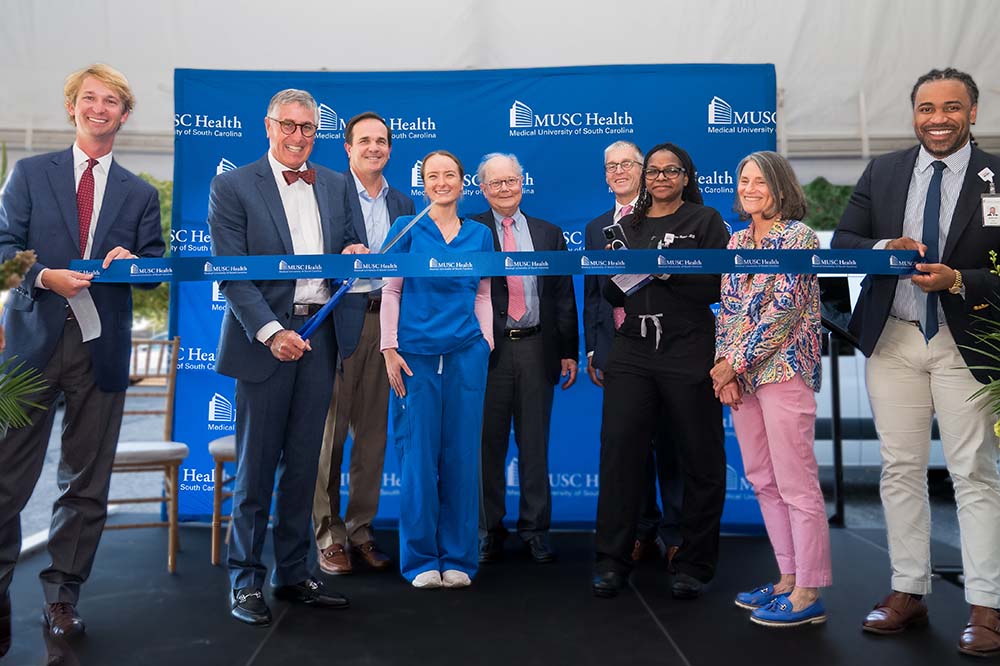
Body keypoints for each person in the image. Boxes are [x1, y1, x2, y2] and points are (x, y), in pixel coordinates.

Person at [832, 68, 1000, 656]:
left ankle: (987, 605)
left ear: (973, 112)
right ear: (914, 114)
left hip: (967, 343)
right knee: (899, 468)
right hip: (896, 340)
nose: (938, 118)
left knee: (973, 474)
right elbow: (843, 241)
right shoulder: (884, 170)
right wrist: (883, 248)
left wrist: (960, 281)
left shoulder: (998, 176)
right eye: (926, 108)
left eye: (951, 107)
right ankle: (908, 589)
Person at [0, 63, 164, 650]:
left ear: (124, 114)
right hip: (26, 352)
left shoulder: (141, 193)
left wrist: (134, 265)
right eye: (90, 98)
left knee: (86, 485)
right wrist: (43, 274)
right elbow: (2, 251)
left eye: (113, 101)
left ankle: (62, 598)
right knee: (6, 478)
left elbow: (153, 269)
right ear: (72, 107)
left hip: (102, 349)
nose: (100, 108)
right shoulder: (27, 173)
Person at [208, 88, 367, 626]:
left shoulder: (338, 183)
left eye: (307, 128)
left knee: (304, 467)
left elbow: (349, 244)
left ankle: (295, 574)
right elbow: (231, 270)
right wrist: (273, 332)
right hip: (266, 343)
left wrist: (352, 252)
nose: (298, 136)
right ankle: (245, 582)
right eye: (288, 126)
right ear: (268, 126)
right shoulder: (232, 185)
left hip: (320, 338)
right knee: (255, 472)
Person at [592, 142, 729, 599]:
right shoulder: (625, 225)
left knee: (699, 455)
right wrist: (621, 275)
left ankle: (694, 563)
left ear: (687, 176)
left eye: (672, 171)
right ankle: (612, 560)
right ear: (644, 177)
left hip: (688, 345)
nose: (662, 178)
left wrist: (671, 271)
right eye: (654, 171)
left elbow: (718, 285)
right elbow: (611, 296)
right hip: (632, 347)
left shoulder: (705, 222)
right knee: (618, 453)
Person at [713, 151, 831, 627]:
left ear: (780, 185)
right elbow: (728, 310)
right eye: (744, 179)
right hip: (742, 378)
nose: (750, 187)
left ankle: (809, 590)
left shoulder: (798, 236)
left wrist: (731, 365)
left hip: (784, 373)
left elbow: (782, 310)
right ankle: (786, 578)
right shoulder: (738, 238)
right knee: (763, 480)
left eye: (760, 179)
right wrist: (727, 369)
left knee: (796, 483)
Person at [380, 150, 494, 589]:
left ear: (462, 182)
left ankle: (460, 559)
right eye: (433, 175)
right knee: (418, 460)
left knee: (463, 458)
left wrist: (485, 343)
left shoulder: (480, 235)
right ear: (423, 183)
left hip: (467, 353)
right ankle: (421, 559)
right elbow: (391, 290)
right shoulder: (405, 228)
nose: (442, 181)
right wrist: (389, 347)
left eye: (450, 174)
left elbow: (483, 295)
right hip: (414, 358)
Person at [313, 112, 415, 576]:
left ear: (389, 149)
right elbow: (312, 250)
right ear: (347, 148)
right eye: (364, 141)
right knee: (329, 438)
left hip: (385, 325)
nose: (374, 147)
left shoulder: (404, 202)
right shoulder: (326, 192)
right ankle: (328, 535)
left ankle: (360, 530)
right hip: (337, 321)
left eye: (381, 141)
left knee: (372, 440)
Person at [470, 153, 578, 565]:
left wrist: (568, 350)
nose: (504, 189)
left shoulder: (549, 233)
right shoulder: (470, 230)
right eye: (496, 183)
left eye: (511, 181)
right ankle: (487, 529)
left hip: (537, 346)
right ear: (482, 188)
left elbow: (563, 296)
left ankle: (535, 529)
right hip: (488, 351)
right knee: (487, 445)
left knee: (535, 443)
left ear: (522, 183)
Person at [583, 140, 684, 566]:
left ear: (644, 171)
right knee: (630, 448)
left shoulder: (668, 218)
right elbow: (592, 295)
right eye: (611, 166)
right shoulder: (595, 228)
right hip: (619, 352)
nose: (619, 171)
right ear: (605, 174)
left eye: (628, 164)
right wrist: (593, 350)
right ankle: (642, 529)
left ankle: (677, 534)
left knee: (673, 445)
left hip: (668, 348)